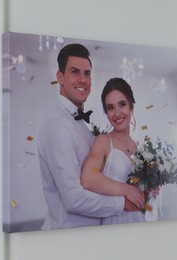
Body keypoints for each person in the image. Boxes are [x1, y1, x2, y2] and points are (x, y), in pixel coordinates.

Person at [37, 44, 143, 230]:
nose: (83, 79)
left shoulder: (81, 126)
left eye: (87, 73)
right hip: (66, 236)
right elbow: (74, 198)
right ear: (60, 77)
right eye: (75, 72)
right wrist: (123, 203)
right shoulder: (58, 125)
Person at [81, 77, 148, 225]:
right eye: (111, 108)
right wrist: (126, 190)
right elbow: (88, 178)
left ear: (131, 106)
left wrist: (149, 192)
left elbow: (140, 196)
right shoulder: (104, 141)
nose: (117, 113)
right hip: (115, 223)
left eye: (122, 105)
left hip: (139, 221)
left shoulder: (139, 148)